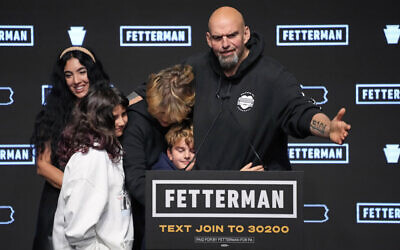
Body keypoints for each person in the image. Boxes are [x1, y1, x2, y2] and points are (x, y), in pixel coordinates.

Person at [180, 6, 351, 171]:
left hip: (261, 193)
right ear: (208, 39)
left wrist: (328, 128)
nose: (225, 44)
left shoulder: (272, 76)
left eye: (232, 35)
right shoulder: (194, 70)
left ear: (246, 34)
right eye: (218, 38)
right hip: (207, 194)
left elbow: (300, 112)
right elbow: (164, 115)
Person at [31, 46, 109, 250]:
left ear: (92, 72)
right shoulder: (51, 115)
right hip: (59, 201)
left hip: (99, 204)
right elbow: (42, 165)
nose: (76, 81)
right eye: (69, 75)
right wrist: (80, 189)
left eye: (82, 71)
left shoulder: (108, 112)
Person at [122, 64, 195, 250]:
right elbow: (135, 180)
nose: (164, 120)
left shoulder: (192, 113)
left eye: (171, 117)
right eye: (160, 113)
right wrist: (177, 204)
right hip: (147, 216)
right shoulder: (135, 122)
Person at [52, 86, 133, 249]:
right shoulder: (90, 159)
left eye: (124, 114)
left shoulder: (110, 150)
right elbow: (78, 231)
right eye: (114, 117)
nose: (122, 122)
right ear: (98, 119)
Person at [152, 121, 264, 172]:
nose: (187, 156)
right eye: (180, 150)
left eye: (193, 151)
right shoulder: (159, 173)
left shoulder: (203, 168)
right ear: (169, 154)